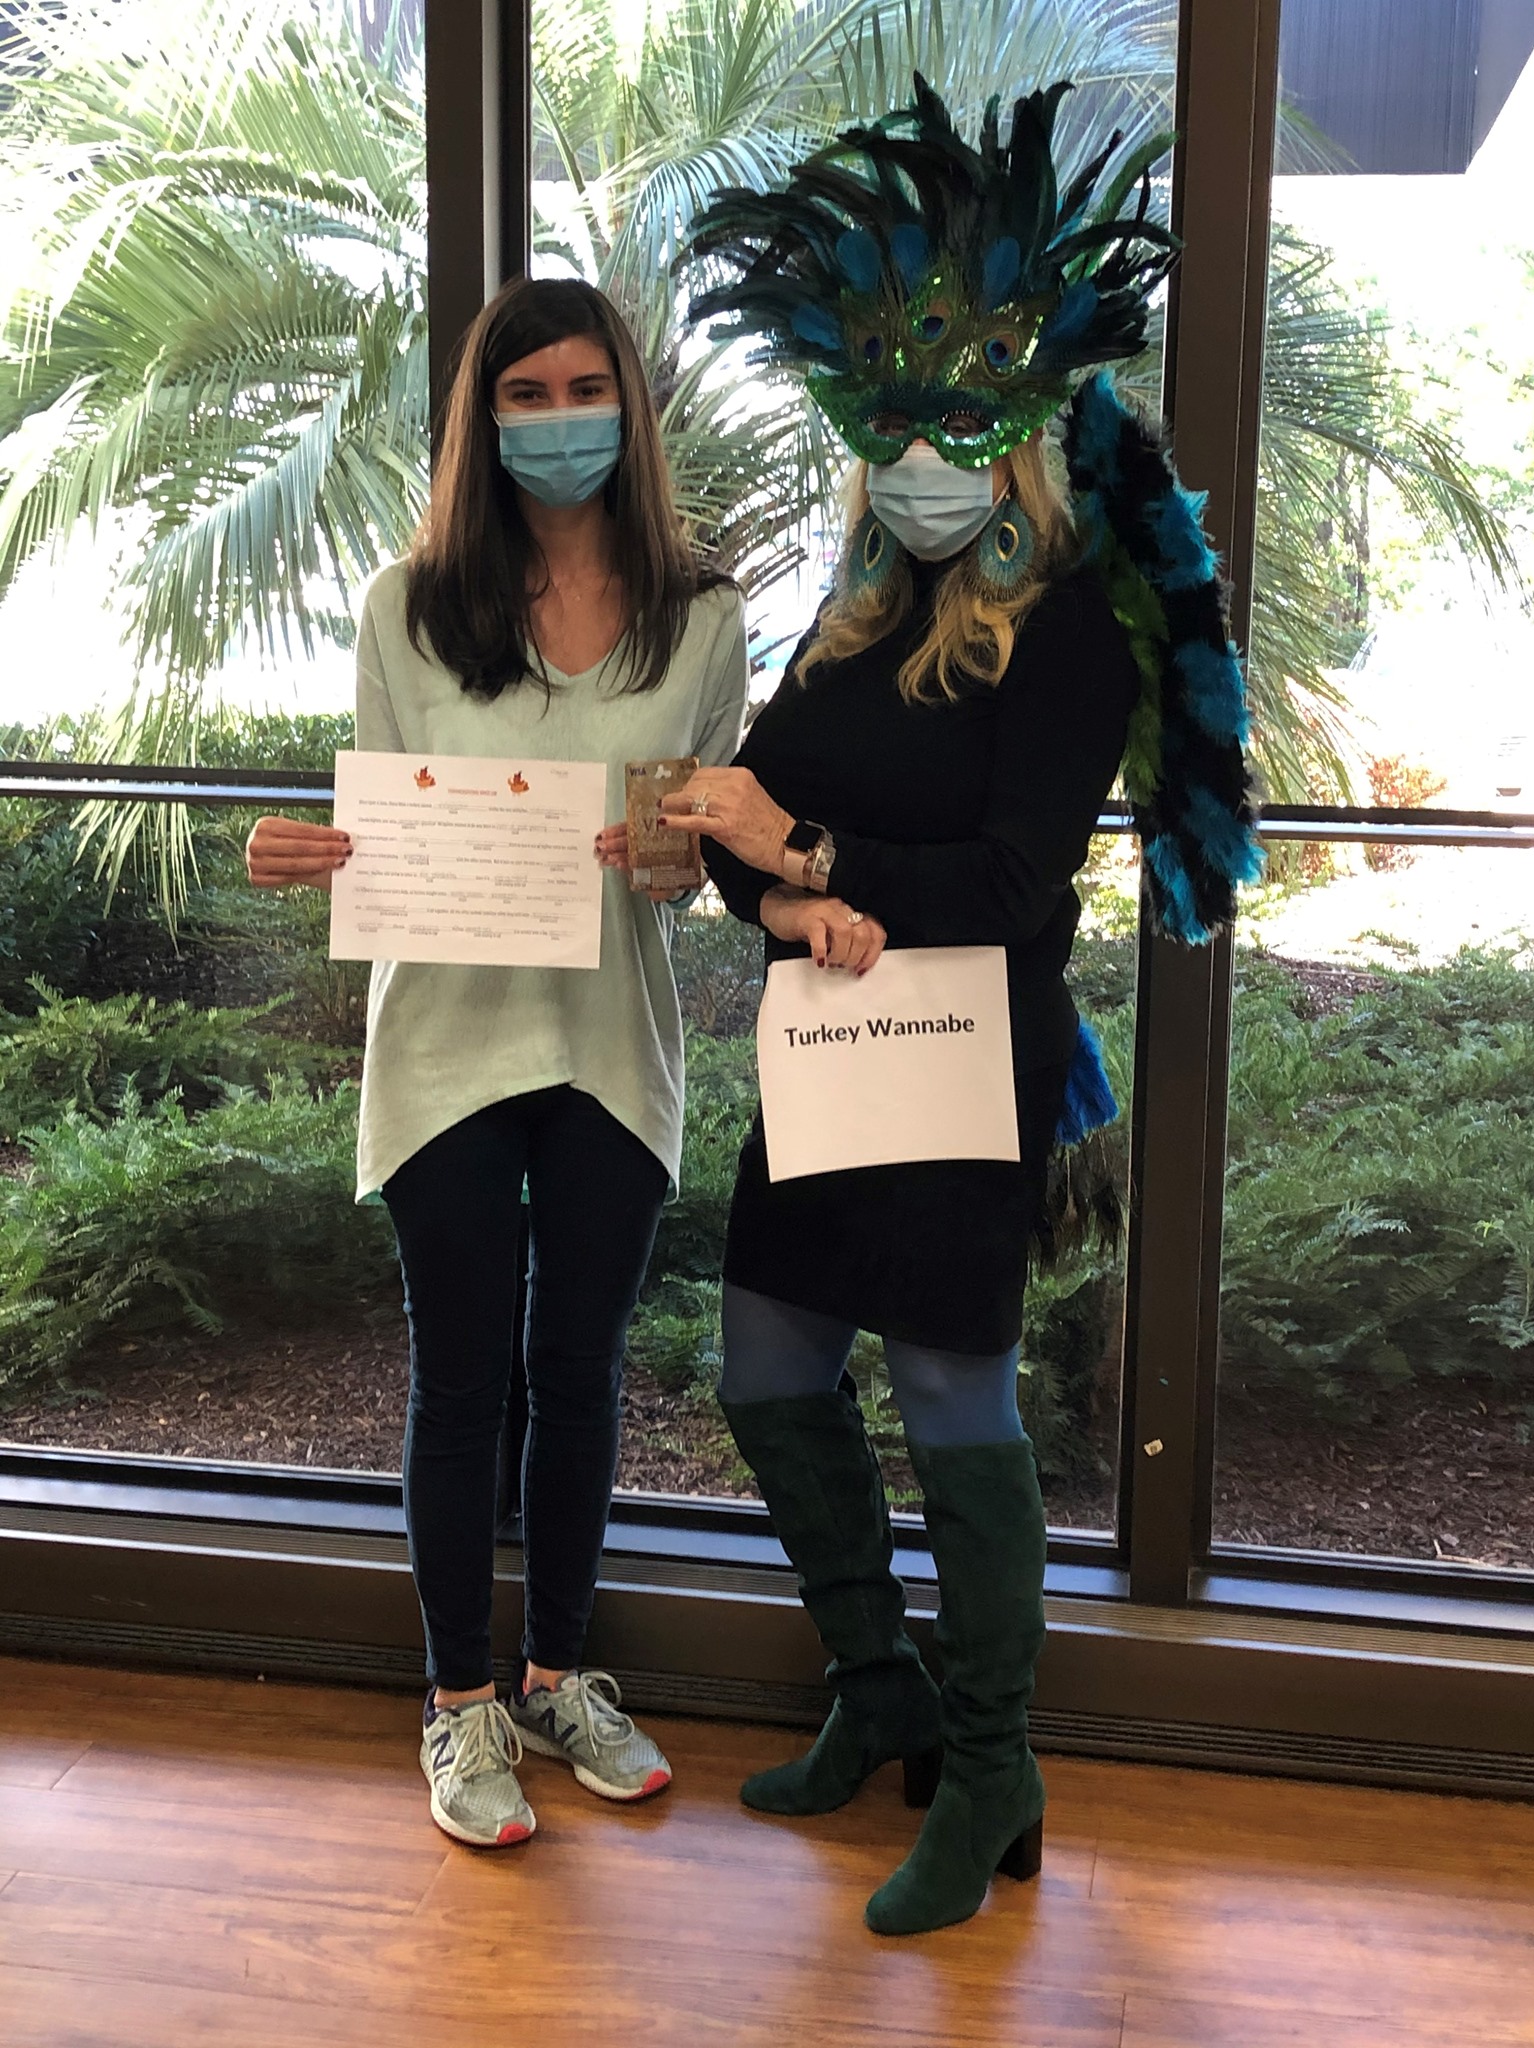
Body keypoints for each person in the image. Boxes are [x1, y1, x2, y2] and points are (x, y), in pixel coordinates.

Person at [666, 77, 1261, 1935]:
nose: (922, 462)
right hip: (822, 1064)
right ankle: (881, 1690)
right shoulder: (847, 618)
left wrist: (813, 858)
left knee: (948, 1397)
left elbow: (1013, 897)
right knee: (765, 1369)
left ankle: (997, 1764)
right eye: (890, 430)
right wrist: (783, 886)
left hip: (962, 1072)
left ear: (1022, 438)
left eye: (956, 429)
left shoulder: (1069, 635)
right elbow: (735, 823)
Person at [245, 276, 749, 1849]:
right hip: (445, 1045)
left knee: (582, 1376)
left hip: (612, 1047)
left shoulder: (703, 618)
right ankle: (458, 1700)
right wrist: (317, 854)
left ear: (630, 408)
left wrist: (674, 860)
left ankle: (555, 1678)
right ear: (483, 420)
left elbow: (695, 861)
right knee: (461, 1380)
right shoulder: (405, 608)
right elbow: (387, 826)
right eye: (524, 396)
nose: (559, 421)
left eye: (586, 389)